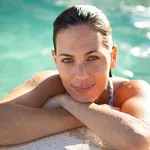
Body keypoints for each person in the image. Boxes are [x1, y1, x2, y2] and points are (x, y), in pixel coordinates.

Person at [0, 5, 150, 150]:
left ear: (113, 57)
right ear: (56, 60)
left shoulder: (129, 91)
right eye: (67, 60)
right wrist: (80, 114)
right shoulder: (49, 84)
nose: (81, 75)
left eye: (92, 58)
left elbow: (139, 142)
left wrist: (67, 103)